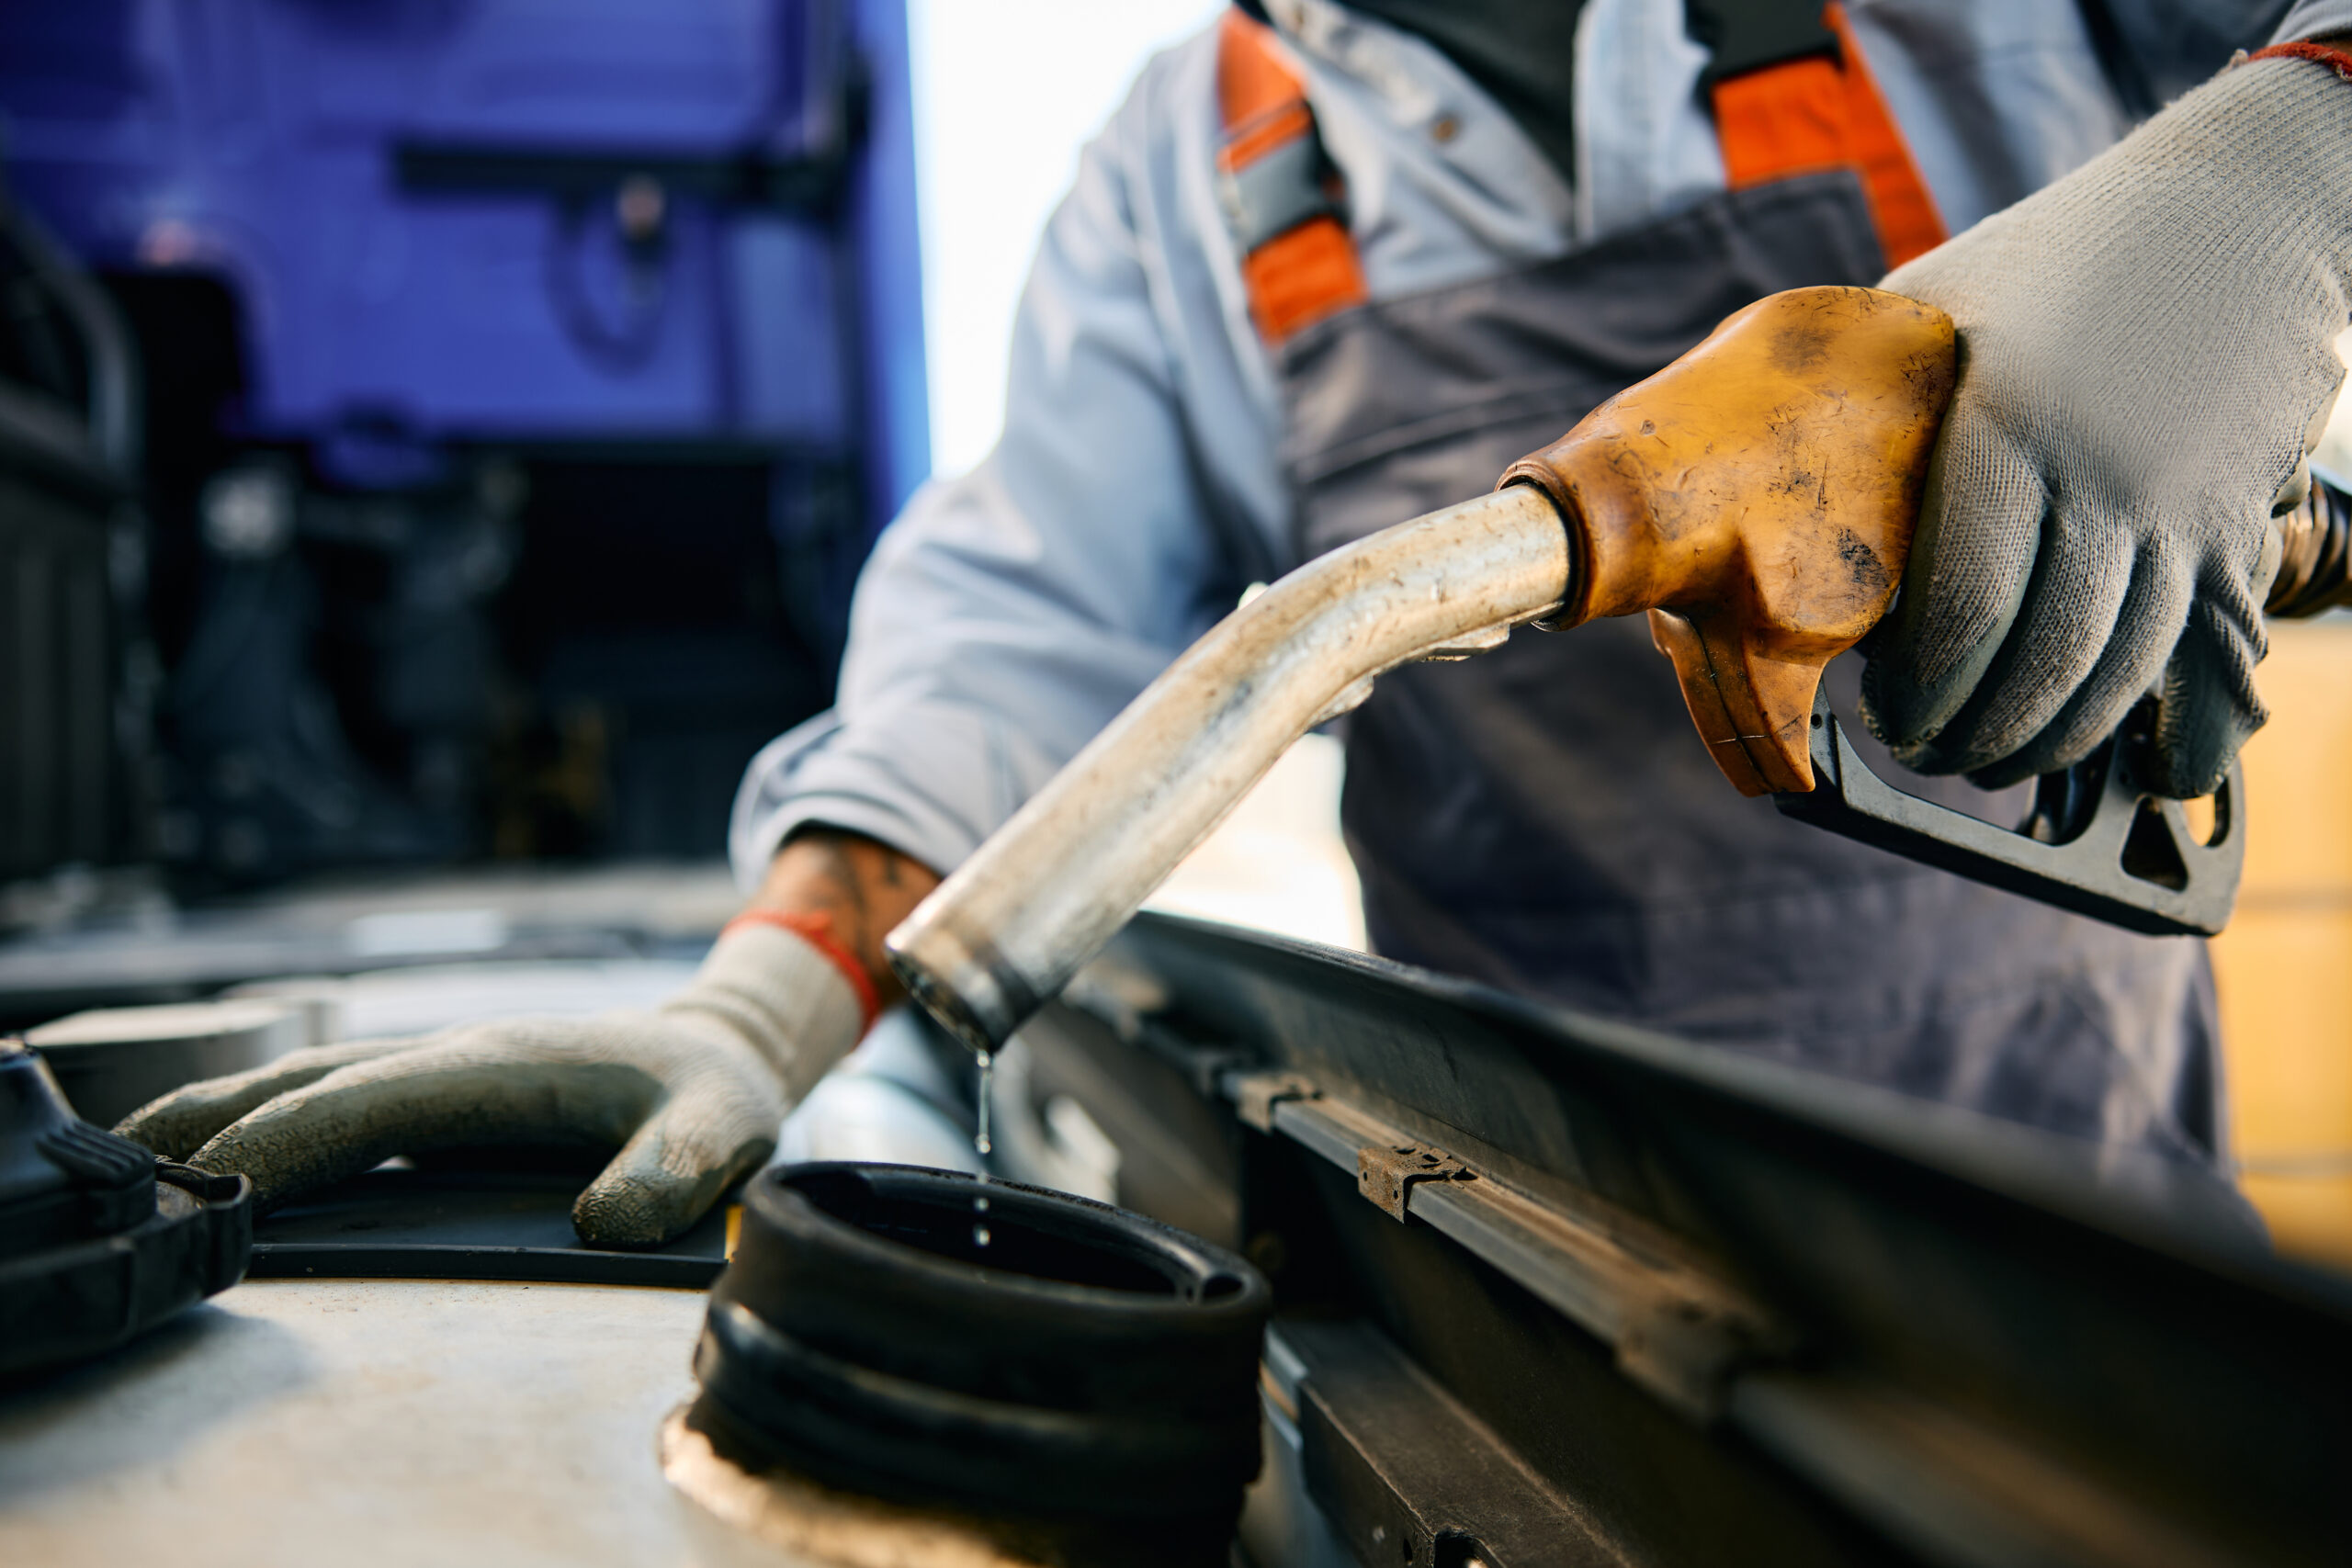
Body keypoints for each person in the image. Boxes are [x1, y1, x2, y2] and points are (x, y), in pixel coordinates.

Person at [123, 0, 2352, 1246]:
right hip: (1529, 1261)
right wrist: (772, 998)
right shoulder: (1197, 153)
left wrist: (2274, 176)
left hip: (2077, 1242)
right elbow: (1025, 623)